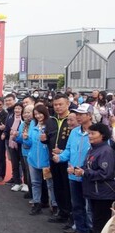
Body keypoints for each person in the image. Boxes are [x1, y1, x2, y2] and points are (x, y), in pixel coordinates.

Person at [53, 103, 93, 233]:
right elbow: (69, 150)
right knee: (77, 204)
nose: (78, 116)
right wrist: (60, 157)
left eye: (81, 114)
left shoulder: (97, 132)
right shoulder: (74, 132)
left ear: (89, 116)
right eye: (78, 114)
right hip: (73, 174)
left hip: (89, 175)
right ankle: (81, 231)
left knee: (91, 207)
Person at [76, 123, 115, 233]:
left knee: (101, 221)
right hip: (94, 191)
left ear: (102, 135)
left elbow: (106, 173)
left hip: (104, 193)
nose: (89, 136)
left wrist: (84, 173)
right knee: (97, 219)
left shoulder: (106, 151)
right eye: (89, 133)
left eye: (93, 133)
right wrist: (80, 170)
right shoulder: (93, 149)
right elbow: (88, 166)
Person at [23, 104, 56, 215]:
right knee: (35, 183)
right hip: (33, 159)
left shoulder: (50, 125)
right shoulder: (34, 126)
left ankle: (54, 206)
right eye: (35, 114)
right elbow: (29, 144)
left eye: (39, 113)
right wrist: (25, 138)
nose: (38, 116)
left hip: (46, 160)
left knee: (50, 184)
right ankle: (37, 204)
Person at [48, 94, 73, 224]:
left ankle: (70, 215)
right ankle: (62, 213)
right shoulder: (51, 120)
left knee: (67, 188)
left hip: (67, 161)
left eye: (60, 104)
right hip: (53, 159)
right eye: (55, 104)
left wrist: (62, 152)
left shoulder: (72, 119)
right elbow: (48, 138)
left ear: (67, 104)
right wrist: (45, 140)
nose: (57, 107)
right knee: (57, 186)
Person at [5, 102, 26, 190]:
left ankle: (26, 183)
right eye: (16, 108)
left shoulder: (24, 120)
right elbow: (7, 128)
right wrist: (5, 134)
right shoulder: (10, 118)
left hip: (21, 144)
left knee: (24, 164)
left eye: (19, 109)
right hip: (12, 143)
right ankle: (17, 182)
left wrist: (18, 134)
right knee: (15, 163)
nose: (17, 110)